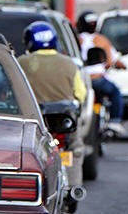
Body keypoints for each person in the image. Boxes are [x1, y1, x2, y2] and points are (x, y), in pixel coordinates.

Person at [17, 21, 87, 191]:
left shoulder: (22, 62)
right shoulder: (69, 63)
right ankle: (73, 187)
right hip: (64, 121)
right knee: (74, 149)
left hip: (35, 122)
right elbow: (80, 94)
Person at [76, 10, 127, 136]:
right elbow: (113, 60)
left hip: (81, 81)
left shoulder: (76, 40)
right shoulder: (101, 40)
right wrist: (121, 66)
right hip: (98, 80)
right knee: (115, 93)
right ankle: (114, 122)